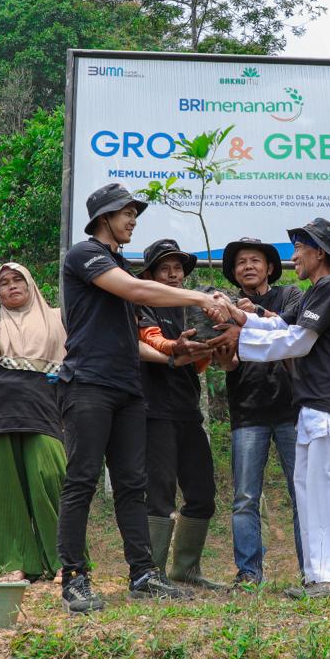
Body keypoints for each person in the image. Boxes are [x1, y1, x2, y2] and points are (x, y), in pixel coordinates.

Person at [55, 182, 229, 614]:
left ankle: (143, 573)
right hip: (89, 384)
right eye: (126, 213)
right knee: (81, 479)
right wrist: (200, 297)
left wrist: (174, 354)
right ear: (104, 218)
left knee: (133, 485)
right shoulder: (84, 255)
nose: (133, 219)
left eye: (134, 213)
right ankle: (74, 578)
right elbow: (137, 291)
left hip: (129, 387)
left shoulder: (120, 264)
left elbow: (131, 341)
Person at [209, 218, 330, 599]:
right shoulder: (314, 292)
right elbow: (278, 324)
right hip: (312, 406)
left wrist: (239, 338)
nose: (293, 256)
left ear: (320, 253)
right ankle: (318, 576)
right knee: (312, 495)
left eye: (300, 248)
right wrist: (240, 317)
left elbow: (296, 341)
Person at [0, 263, 67, 582]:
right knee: (3, 490)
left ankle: (66, 560)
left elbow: (76, 362)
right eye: (3, 283)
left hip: (45, 410)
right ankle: (12, 563)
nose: (11, 286)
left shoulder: (59, 320)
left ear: (31, 284)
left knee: (51, 479)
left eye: (18, 280)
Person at [213, 237, 304, 586]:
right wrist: (226, 361)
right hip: (247, 411)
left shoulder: (290, 296)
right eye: (240, 263)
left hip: (291, 409)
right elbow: (232, 362)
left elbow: (294, 330)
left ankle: (311, 570)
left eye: (255, 260)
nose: (248, 266)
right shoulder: (224, 307)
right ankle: (249, 573)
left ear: (269, 267)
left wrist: (253, 314)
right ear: (234, 273)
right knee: (244, 497)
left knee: (302, 494)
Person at [135, 238, 225, 591]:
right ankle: (152, 574)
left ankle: (185, 569)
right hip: (153, 411)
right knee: (158, 493)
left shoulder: (193, 306)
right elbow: (151, 339)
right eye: (164, 268)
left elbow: (201, 363)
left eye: (177, 269)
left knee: (202, 492)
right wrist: (176, 348)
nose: (172, 275)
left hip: (188, 412)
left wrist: (212, 347)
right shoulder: (142, 305)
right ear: (151, 274)